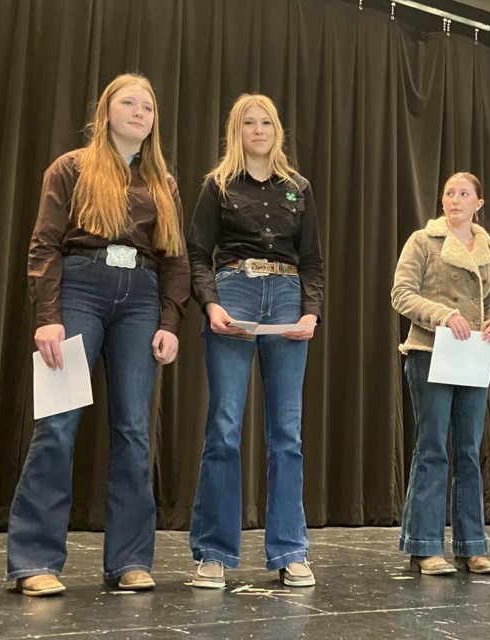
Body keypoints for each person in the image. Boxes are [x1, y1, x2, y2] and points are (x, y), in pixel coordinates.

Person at [7, 73, 190, 596]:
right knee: (58, 424)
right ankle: (34, 560)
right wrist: (48, 314)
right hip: (79, 289)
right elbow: (44, 245)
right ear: (105, 111)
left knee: (134, 430)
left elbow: (174, 258)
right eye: (127, 103)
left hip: (140, 295)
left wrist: (169, 321)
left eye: (148, 107)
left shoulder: (164, 183)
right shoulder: (71, 168)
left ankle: (130, 560)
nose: (139, 112)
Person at [186, 93, 324, 589]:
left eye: (267, 122)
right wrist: (211, 303)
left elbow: (312, 259)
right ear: (236, 131)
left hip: (287, 295)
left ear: (277, 130)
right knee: (224, 425)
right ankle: (214, 553)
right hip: (234, 291)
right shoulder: (217, 185)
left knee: (286, 431)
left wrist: (311, 311)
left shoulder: (298, 187)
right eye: (249, 122)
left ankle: (290, 549)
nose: (259, 129)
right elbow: (197, 252)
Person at [391, 172, 490, 576]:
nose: (455, 199)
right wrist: (444, 315)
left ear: (479, 202)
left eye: (464, 194)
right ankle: (425, 545)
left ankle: (472, 545)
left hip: (473, 357)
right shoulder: (423, 241)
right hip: (430, 353)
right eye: (449, 193)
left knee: (469, 452)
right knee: (431, 448)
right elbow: (401, 294)